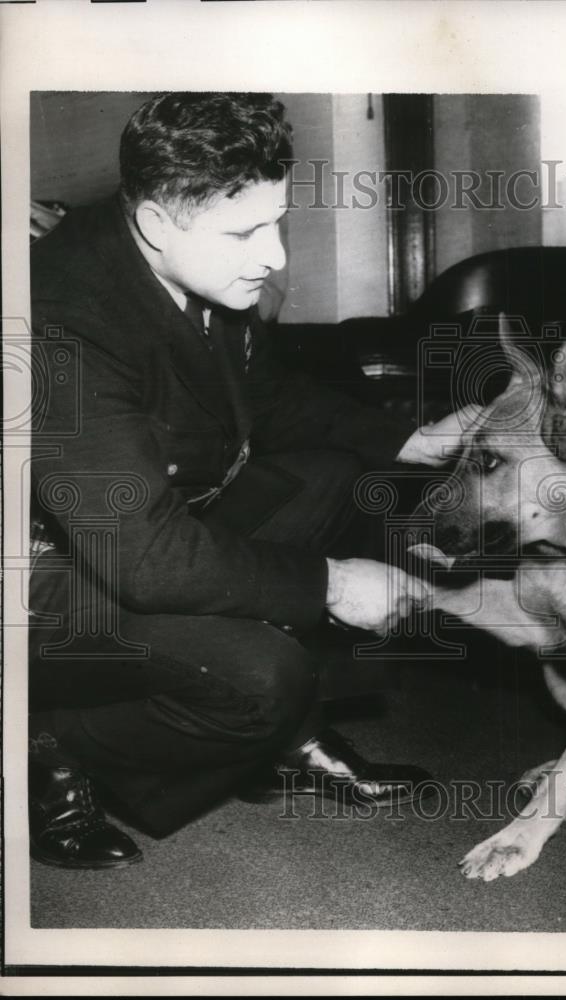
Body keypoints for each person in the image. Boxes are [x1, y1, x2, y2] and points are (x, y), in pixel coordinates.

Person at [28, 92, 470, 869]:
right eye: (246, 231)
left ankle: (283, 739)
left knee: (344, 479)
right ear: (159, 222)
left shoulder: (195, 268)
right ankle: (46, 748)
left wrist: (411, 439)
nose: (275, 257)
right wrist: (329, 582)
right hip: (39, 579)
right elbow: (145, 557)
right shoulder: (60, 318)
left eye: (276, 222)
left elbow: (269, 400)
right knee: (262, 678)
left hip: (134, 530)